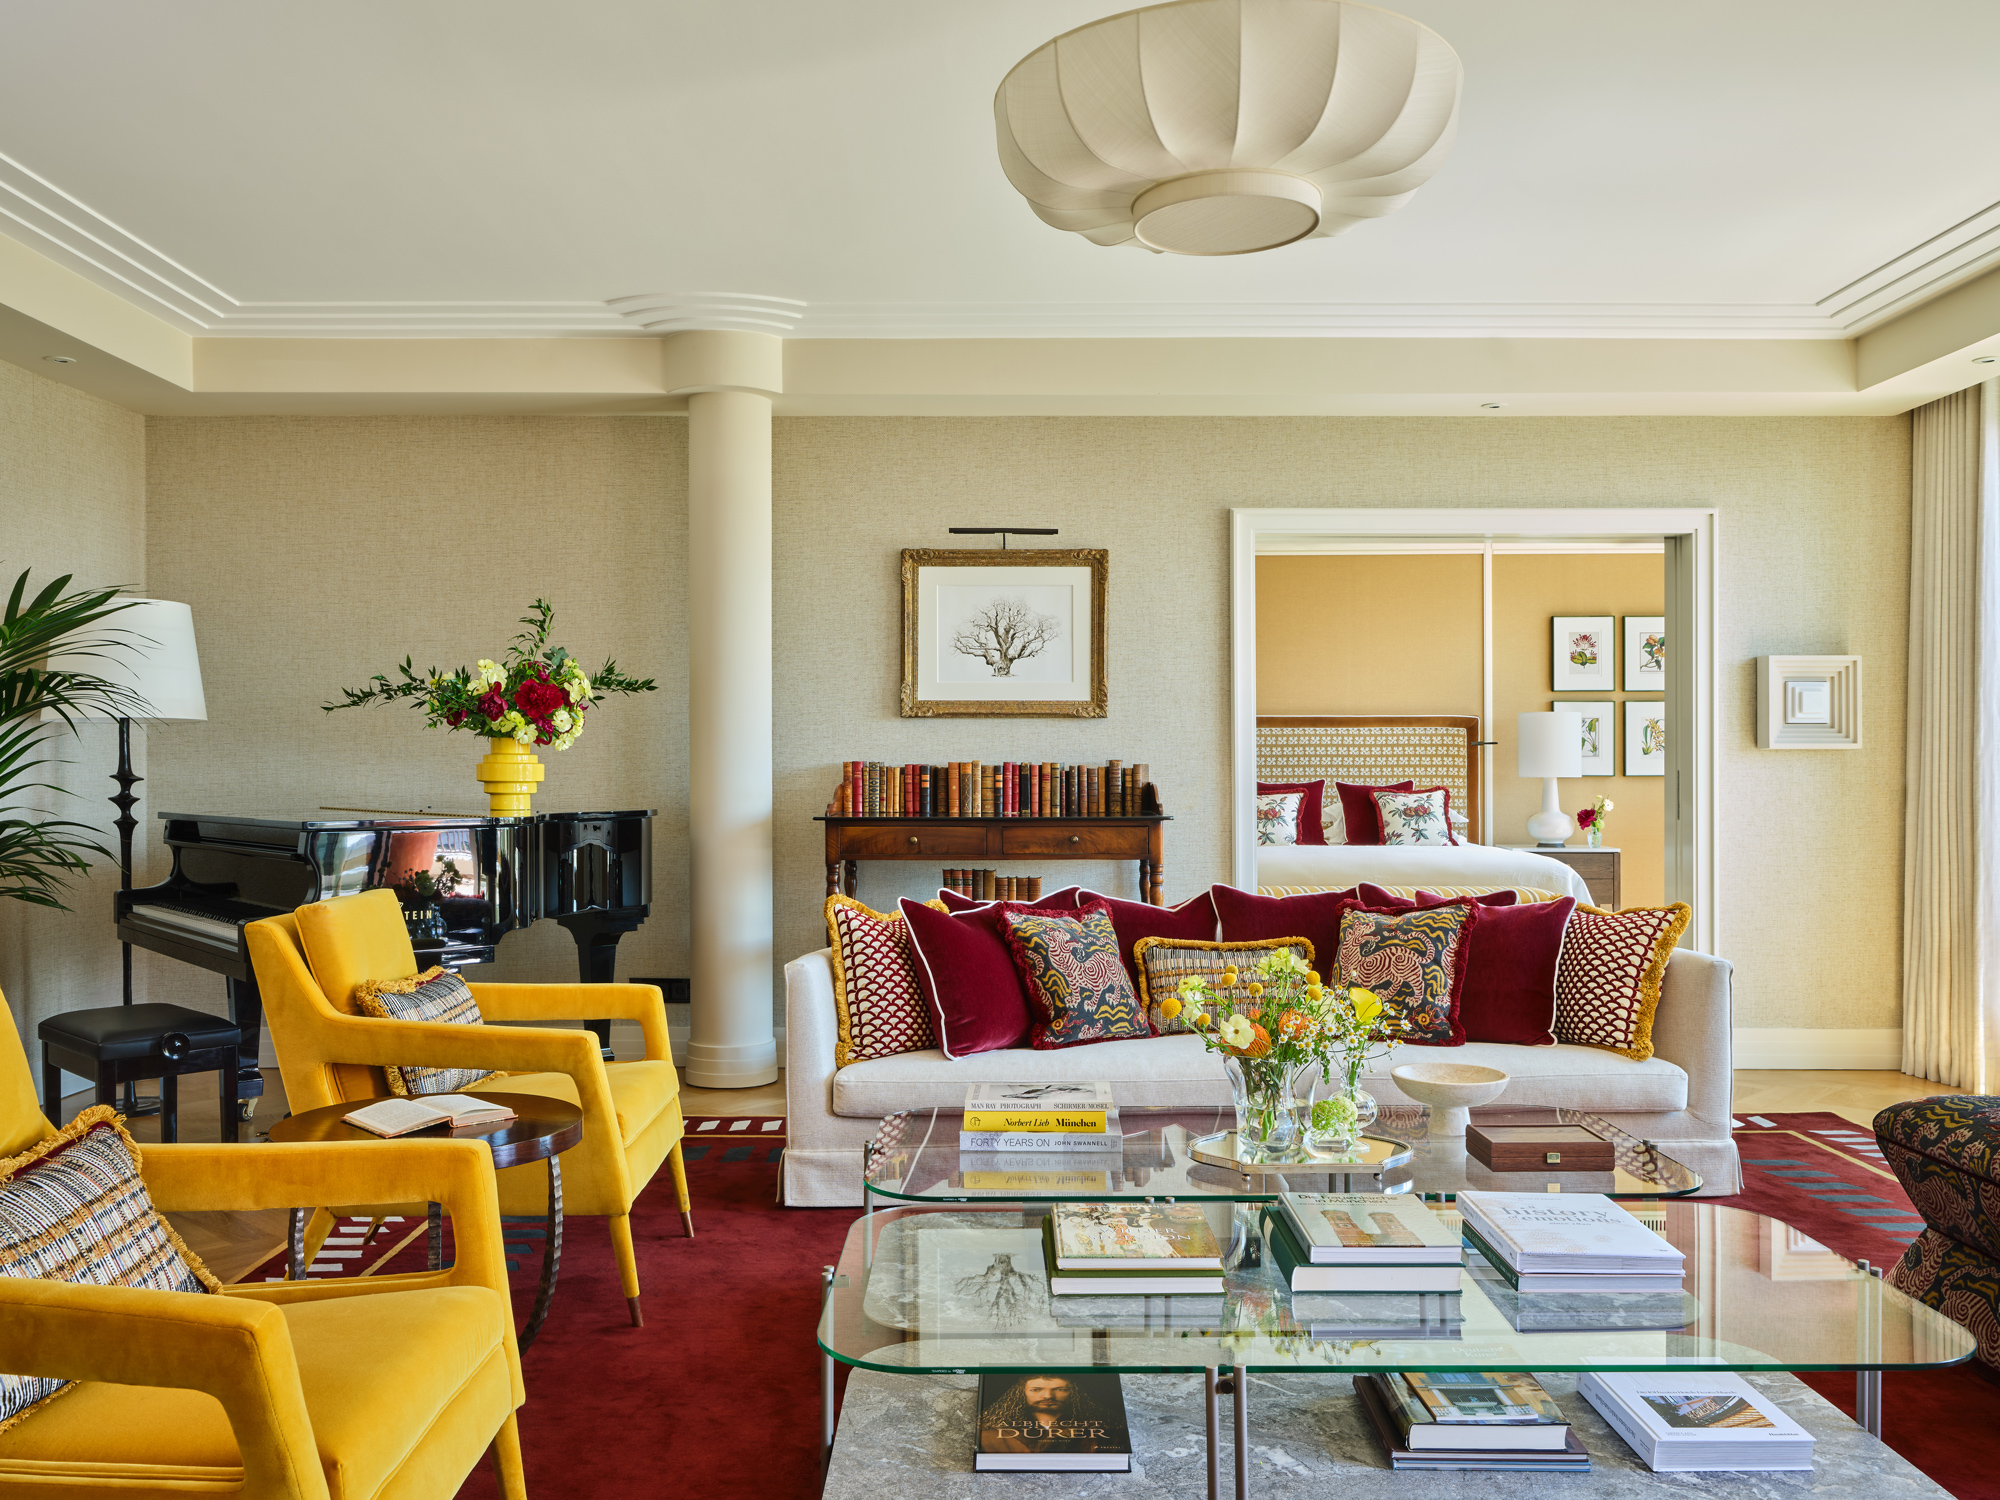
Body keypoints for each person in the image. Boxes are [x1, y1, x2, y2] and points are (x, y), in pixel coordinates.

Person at [978, 1375, 1111, 1454]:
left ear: (1074, 1394)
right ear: (1020, 1394)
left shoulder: (1101, 1430)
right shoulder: (989, 1434)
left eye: (1060, 1389)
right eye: (1036, 1390)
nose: (1048, 1396)